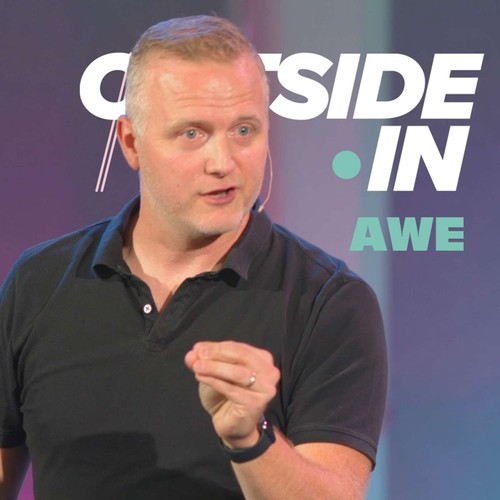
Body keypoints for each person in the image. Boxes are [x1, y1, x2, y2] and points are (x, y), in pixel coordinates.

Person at [0, 15, 387, 500]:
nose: (223, 162)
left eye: (244, 130)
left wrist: (251, 438)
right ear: (131, 142)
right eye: (192, 134)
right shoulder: (39, 282)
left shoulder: (328, 303)